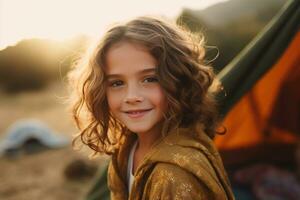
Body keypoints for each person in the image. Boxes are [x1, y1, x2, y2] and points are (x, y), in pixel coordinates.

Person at [68, 16, 235, 200]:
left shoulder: (174, 176)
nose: (132, 96)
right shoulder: (128, 147)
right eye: (117, 83)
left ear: (178, 80)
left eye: (149, 79)